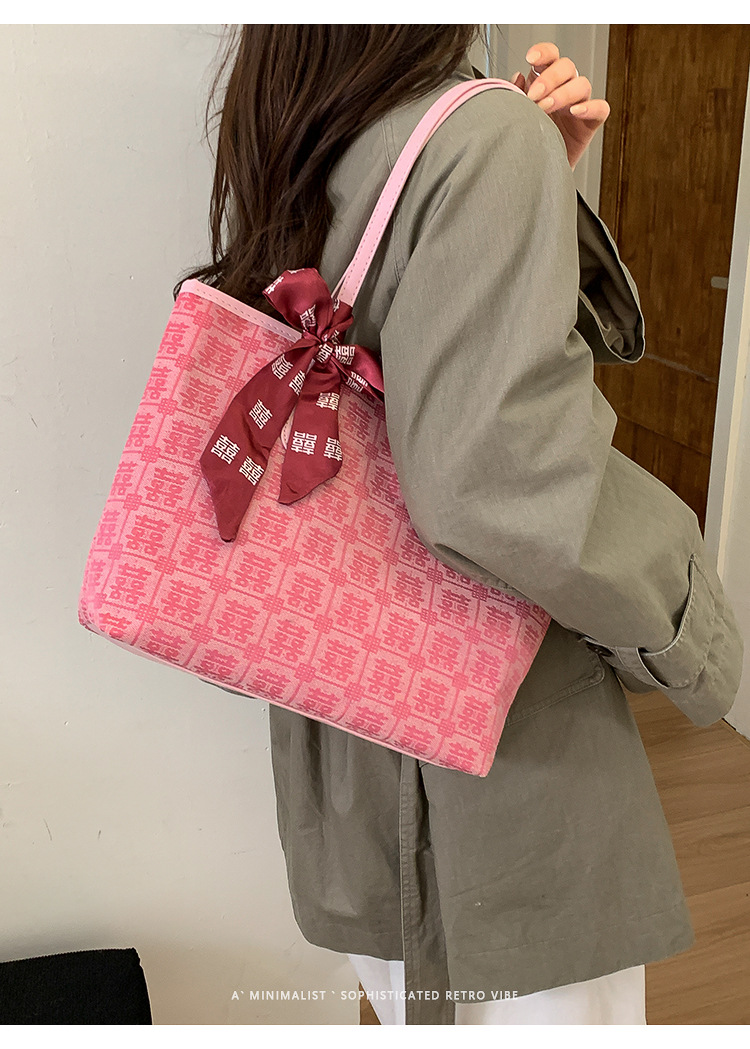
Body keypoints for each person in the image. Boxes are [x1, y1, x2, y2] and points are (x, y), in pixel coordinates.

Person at [185, 26, 744, 1025]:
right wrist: (696, 627)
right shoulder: (472, 132)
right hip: (496, 767)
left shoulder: (291, 110)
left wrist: (520, 190)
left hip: (347, 727)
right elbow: (495, 479)